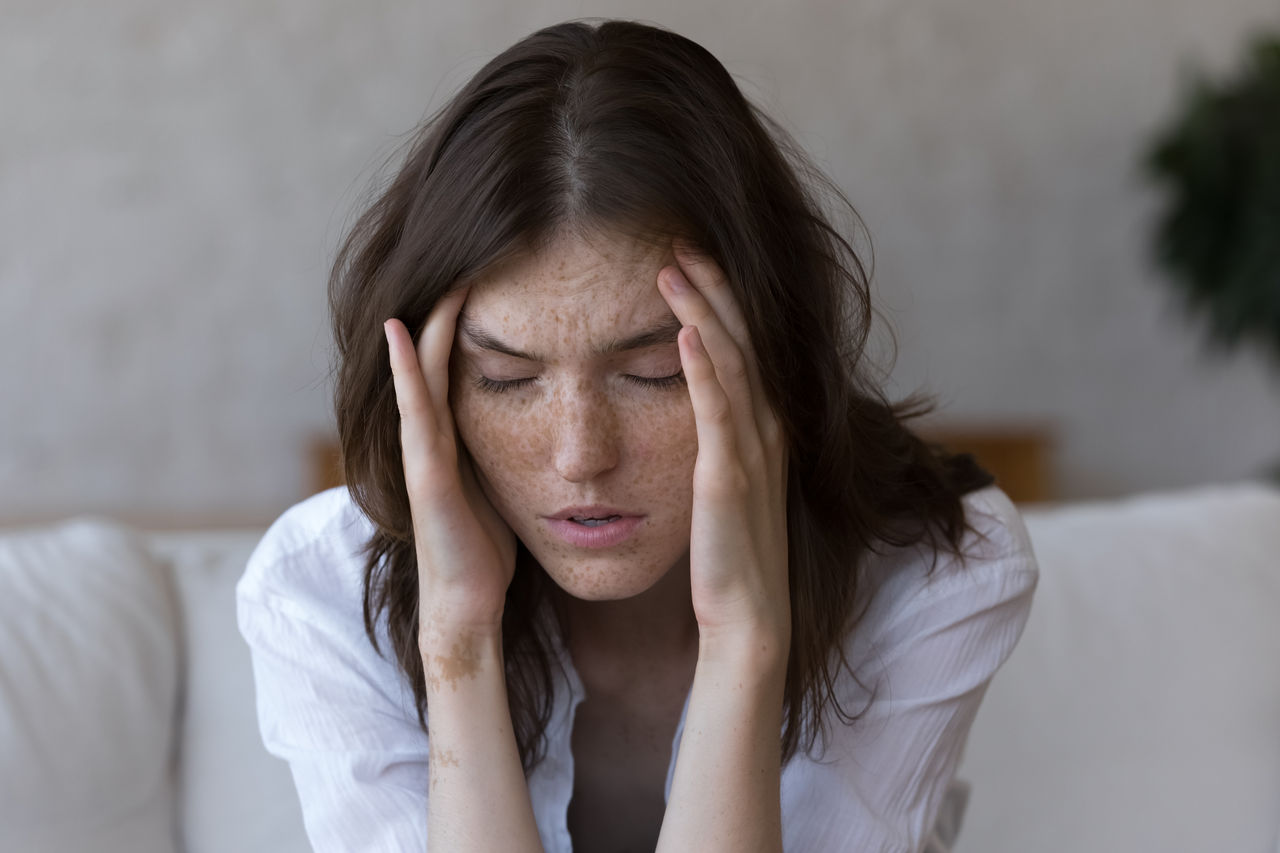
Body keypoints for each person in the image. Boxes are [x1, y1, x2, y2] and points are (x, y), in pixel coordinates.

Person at [237, 17, 1039, 853]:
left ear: (770, 353)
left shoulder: (935, 572)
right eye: (507, 380)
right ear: (431, 390)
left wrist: (743, 644)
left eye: (655, 371)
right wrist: (460, 646)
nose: (581, 454)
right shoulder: (320, 591)